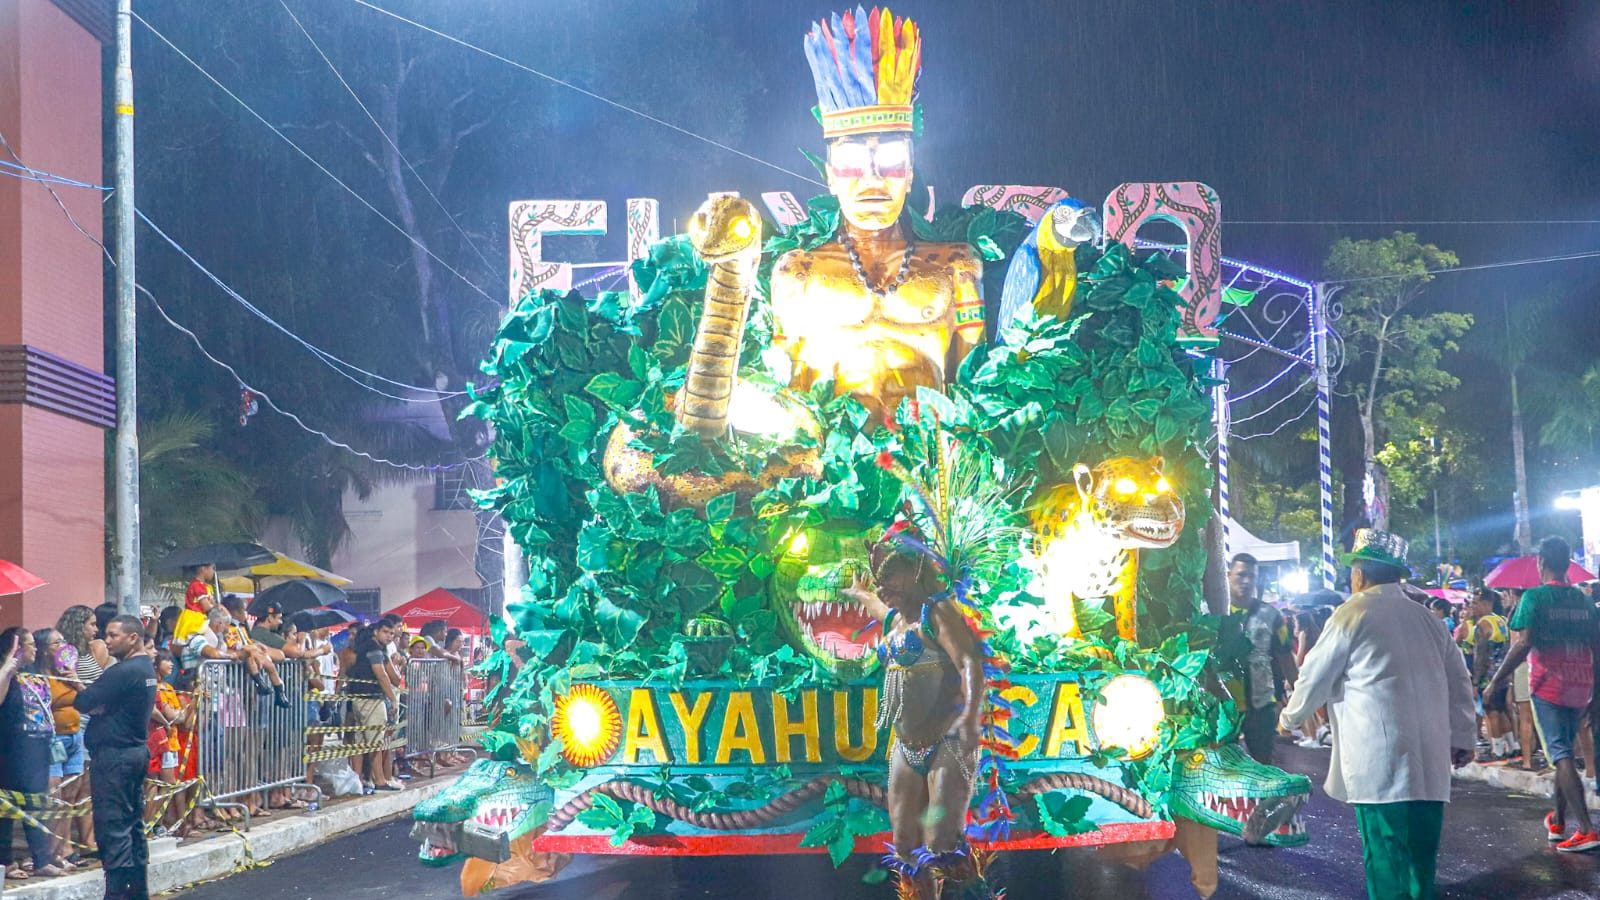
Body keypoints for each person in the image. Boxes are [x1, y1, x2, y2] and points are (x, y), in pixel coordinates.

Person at [1281, 530, 1476, 900]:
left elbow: (1314, 676)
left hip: (1379, 761)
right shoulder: (1428, 619)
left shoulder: (1351, 613)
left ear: (1360, 573)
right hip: (1430, 759)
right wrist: (1464, 737)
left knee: (1386, 857)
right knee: (1422, 859)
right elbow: (1460, 681)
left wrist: (1289, 718)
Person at [1488, 536, 1600, 852]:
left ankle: (1588, 829)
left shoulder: (1535, 598)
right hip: (1581, 685)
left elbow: (1523, 643)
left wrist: (1495, 681)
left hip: (1548, 685)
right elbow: (1597, 646)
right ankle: (1559, 821)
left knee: (1560, 754)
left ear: (1542, 563)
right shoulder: (1583, 600)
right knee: (1561, 751)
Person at [75, 615, 158, 900]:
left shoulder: (124, 671)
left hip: (116, 756)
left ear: (132, 637)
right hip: (131, 752)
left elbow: (84, 702)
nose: (106, 641)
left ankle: (118, 893)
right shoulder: (144, 667)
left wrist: (91, 697)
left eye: (113, 635)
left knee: (114, 826)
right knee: (133, 824)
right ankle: (137, 891)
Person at [0, 627, 69, 881]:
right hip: (12, 746)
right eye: (29, 644)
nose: (34, 648)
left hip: (39, 745)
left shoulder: (35, 675)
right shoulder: (7, 673)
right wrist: (9, 665)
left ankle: (42, 857)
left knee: (36, 803)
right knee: (9, 806)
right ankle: (4, 861)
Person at [1221, 552, 1297, 764]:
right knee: (1224, 766)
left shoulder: (1271, 615)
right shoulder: (1214, 612)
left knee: (1264, 765)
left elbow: (1286, 657)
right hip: (1224, 705)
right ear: (1228, 575)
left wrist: (1298, 694)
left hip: (1261, 706)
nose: (1246, 581)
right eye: (1240, 575)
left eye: (1251, 576)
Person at [39, 628, 90, 866]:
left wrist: (74, 678)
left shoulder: (68, 673)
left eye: (63, 641)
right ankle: (51, 851)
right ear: (44, 650)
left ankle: (66, 847)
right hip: (53, 739)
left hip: (74, 736)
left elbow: (88, 698)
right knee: (55, 795)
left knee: (72, 793)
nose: (61, 646)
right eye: (55, 643)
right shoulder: (39, 676)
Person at [346, 620, 401, 793]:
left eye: (392, 633)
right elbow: (382, 675)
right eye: (385, 632)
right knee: (376, 741)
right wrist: (392, 699)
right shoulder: (373, 648)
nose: (389, 636)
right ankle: (379, 780)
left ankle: (359, 781)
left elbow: (392, 676)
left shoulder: (366, 647)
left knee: (361, 742)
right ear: (376, 631)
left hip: (359, 698)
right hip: (371, 698)